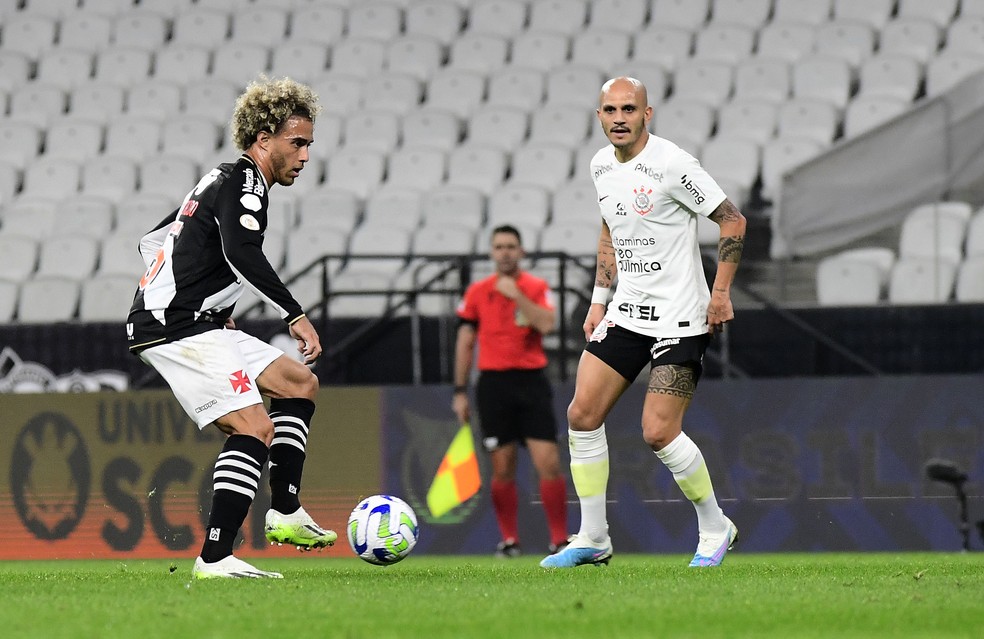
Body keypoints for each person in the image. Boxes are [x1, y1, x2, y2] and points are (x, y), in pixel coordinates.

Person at [126, 77, 336, 579]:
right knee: (254, 427)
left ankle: (285, 511)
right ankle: (215, 557)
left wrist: (211, 298)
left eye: (308, 143)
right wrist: (295, 313)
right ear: (264, 139)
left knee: (298, 383)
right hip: (179, 327)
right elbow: (241, 252)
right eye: (297, 142)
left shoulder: (220, 179)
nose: (306, 155)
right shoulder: (244, 183)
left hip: (199, 319)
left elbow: (155, 239)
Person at [540, 77, 747, 569]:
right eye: (609, 109)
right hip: (627, 313)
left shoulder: (673, 164)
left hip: (680, 318)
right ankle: (593, 538)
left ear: (647, 114)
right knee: (580, 415)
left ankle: (716, 527)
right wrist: (598, 299)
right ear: (598, 117)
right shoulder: (600, 166)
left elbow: (733, 220)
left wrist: (720, 294)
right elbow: (610, 227)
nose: (618, 118)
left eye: (628, 109)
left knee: (657, 432)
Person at [452, 225, 570, 557]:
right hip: (493, 384)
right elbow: (465, 341)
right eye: (499, 246)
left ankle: (559, 539)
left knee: (548, 462)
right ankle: (509, 540)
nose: (505, 252)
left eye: (511, 246)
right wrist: (460, 390)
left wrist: (516, 295)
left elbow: (546, 324)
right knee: (502, 466)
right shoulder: (477, 292)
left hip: (532, 381)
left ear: (521, 252)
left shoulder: (535, 287)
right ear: (492, 252)